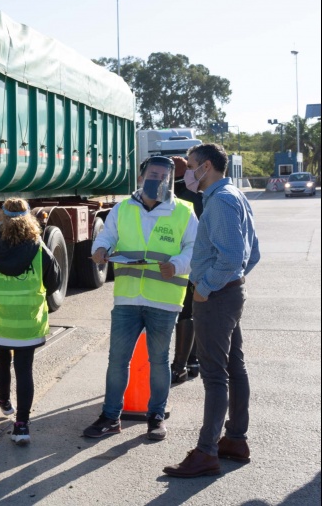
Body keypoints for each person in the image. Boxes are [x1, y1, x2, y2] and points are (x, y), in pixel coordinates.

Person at [82, 156, 198, 441]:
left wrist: (178, 265)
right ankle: (110, 417)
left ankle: (156, 416)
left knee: (159, 361)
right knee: (117, 360)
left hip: (164, 299)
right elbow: (106, 237)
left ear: (171, 180)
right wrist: (100, 250)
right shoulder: (123, 208)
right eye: (153, 173)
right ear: (141, 176)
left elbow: (194, 248)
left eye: (163, 175)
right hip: (127, 299)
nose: (157, 178)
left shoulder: (183, 210)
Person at [164, 143, 260, 478]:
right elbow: (253, 253)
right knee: (235, 367)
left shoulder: (219, 201)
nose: (186, 172)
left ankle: (206, 452)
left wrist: (204, 288)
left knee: (216, 375)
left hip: (216, 298)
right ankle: (235, 440)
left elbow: (233, 258)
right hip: (229, 294)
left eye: (189, 165)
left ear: (206, 166)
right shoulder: (232, 194)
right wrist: (234, 282)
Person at [0, 198, 62, 445]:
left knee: (1, 359)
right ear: (29, 219)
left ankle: (4, 401)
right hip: (27, 322)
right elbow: (54, 283)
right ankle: (22, 425)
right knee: (24, 370)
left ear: (1, 218)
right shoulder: (39, 249)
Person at [170, 155, 204, 384]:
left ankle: (179, 366)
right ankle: (191, 361)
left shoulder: (170, 198)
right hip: (195, 261)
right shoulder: (199, 197)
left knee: (182, 313)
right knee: (189, 312)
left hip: (173, 262)